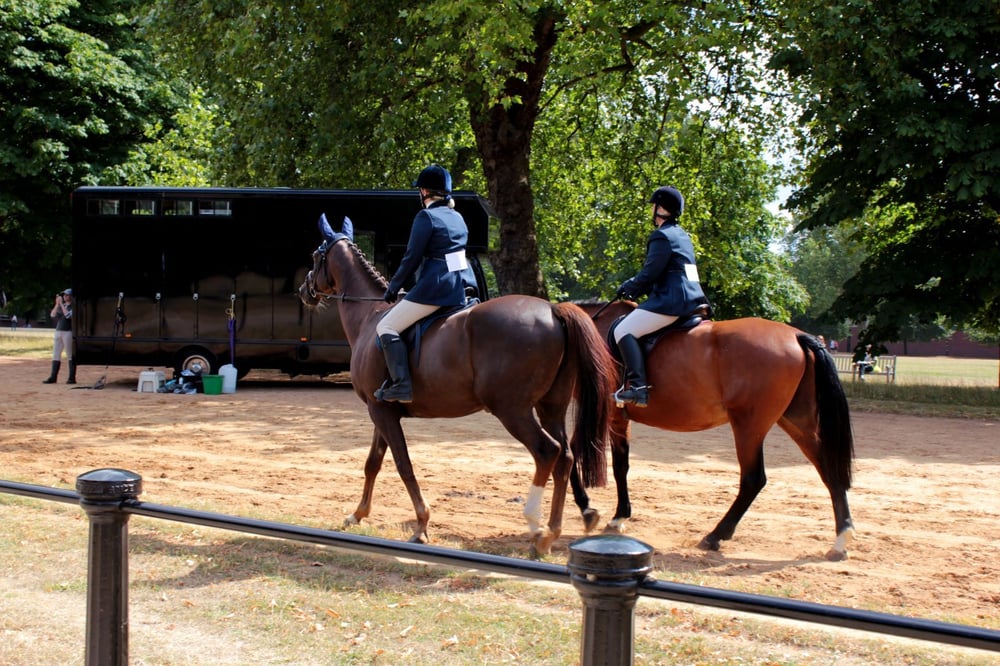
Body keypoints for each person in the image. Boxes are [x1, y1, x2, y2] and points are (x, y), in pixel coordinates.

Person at [374, 164, 475, 403]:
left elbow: (412, 257)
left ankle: (402, 385)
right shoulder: (458, 218)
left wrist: (393, 287)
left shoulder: (426, 216)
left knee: (385, 327)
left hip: (434, 290)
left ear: (424, 192)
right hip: (459, 287)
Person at [612, 186, 709, 407]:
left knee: (622, 330)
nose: (651, 212)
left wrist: (630, 287)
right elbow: (681, 272)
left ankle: (638, 389)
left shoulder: (661, 236)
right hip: (693, 298)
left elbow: (650, 272)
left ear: (661, 209)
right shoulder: (683, 236)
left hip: (672, 302)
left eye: (653, 206)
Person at [43, 288, 76, 384]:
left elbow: (68, 316)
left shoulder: (73, 307)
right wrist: (57, 304)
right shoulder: (63, 306)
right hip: (59, 331)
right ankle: (53, 377)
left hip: (68, 331)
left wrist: (61, 305)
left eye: (67, 295)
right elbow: (52, 315)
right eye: (64, 295)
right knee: (56, 354)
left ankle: (71, 378)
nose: (65, 297)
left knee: (70, 355)